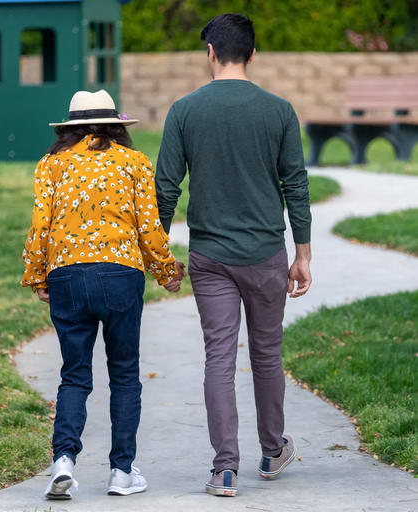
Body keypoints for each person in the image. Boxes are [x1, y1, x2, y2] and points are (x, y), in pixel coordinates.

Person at [155, 13, 312, 497]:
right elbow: (295, 185)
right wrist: (302, 252)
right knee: (267, 355)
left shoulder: (184, 110)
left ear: (210, 53)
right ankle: (271, 450)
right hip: (266, 255)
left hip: (210, 258)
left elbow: (165, 189)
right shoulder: (279, 110)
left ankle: (225, 468)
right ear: (252, 54)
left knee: (218, 359)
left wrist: (161, 253)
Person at [21, 89, 185, 500]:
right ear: (117, 127)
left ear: (69, 127)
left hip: (68, 277)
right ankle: (121, 471)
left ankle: (63, 463)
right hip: (120, 276)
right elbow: (149, 228)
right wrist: (167, 271)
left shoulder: (52, 165)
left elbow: (41, 226)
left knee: (74, 374)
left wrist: (39, 276)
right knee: (125, 373)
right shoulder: (134, 163)